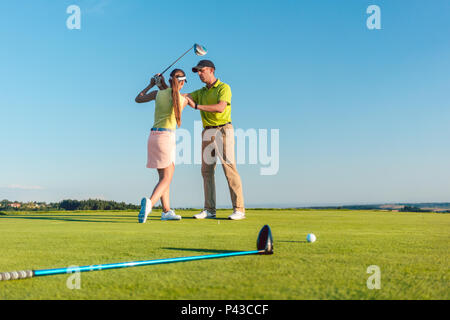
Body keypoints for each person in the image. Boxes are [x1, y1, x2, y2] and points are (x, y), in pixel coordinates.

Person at [185, 60, 246, 220]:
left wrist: (197, 106)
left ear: (211, 70)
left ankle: (239, 209)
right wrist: (163, 85)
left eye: (201, 70)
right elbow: (182, 97)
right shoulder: (201, 91)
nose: (199, 74)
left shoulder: (224, 87)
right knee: (206, 172)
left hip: (223, 129)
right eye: (197, 71)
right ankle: (210, 210)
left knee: (229, 169)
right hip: (206, 132)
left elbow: (220, 107)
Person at [135, 69, 189, 223]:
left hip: (153, 138)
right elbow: (172, 93)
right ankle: (150, 204)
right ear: (182, 83)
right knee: (167, 178)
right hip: (166, 138)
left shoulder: (158, 94)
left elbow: (138, 99)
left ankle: (166, 211)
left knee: (163, 177)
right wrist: (162, 84)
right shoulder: (182, 99)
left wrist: (151, 84)